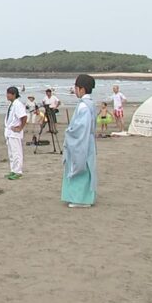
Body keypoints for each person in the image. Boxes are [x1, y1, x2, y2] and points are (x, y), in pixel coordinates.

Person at [62, 75, 98, 208]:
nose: (75, 90)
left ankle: (81, 199)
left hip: (82, 141)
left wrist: (69, 132)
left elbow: (80, 128)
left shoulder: (84, 106)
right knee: (86, 167)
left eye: (76, 88)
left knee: (80, 166)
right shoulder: (90, 104)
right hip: (87, 140)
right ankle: (81, 198)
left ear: (82, 89)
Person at [3, 87, 28, 180]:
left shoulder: (18, 104)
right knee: (11, 153)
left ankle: (18, 171)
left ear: (13, 94)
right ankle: (13, 170)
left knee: (16, 152)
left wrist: (20, 127)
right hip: (9, 132)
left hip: (15, 132)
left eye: (8, 94)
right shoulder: (12, 104)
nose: (7, 95)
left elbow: (24, 117)